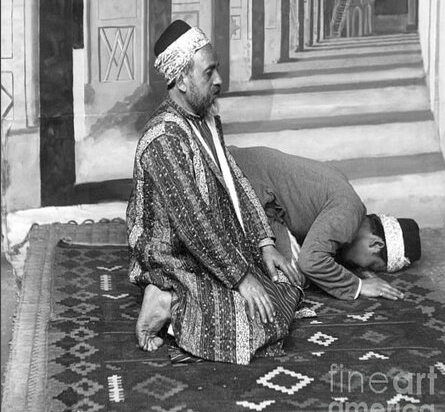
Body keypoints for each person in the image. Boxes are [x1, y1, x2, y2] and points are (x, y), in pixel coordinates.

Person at [126, 20, 302, 365]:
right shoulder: (163, 138)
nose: (219, 80)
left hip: (212, 244)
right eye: (209, 73)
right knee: (258, 323)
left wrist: (265, 244)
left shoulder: (204, 117)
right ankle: (165, 297)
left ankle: (181, 300)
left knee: (288, 282)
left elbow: (234, 179)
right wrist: (241, 277)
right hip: (175, 253)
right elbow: (193, 222)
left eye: (216, 69)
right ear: (181, 80)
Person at [228, 145, 421, 302]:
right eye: (370, 265)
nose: (361, 268)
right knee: (292, 279)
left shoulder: (347, 197)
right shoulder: (347, 212)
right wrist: (358, 285)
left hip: (240, 168)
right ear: (375, 243)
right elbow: (311, 261)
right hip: (236, 178)